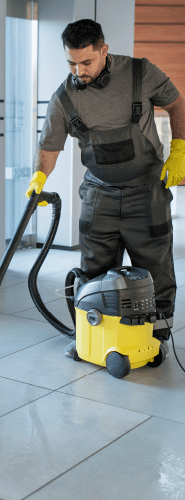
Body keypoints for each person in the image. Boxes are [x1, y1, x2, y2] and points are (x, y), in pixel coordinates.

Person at [26, 19, 185, 357]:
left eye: (86, 61)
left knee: (155, 266)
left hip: (146, 190)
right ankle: (92, 335)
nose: (78, 70)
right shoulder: (64, 97)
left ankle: (155, 339)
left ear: (104, 51)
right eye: (71, 62)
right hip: (99, 193)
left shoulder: (141, 73)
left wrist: (180, 150)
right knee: (94, 269)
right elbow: (49, 147)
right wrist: (39, 178)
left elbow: (176, 103)